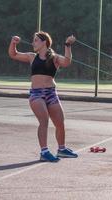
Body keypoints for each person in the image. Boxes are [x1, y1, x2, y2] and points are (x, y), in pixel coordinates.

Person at [8, 31, 78, 162]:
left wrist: (67, 45)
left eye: (35, 40)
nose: (33, 42)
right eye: (33, 40)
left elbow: (67, 62)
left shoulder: (54, 58)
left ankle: (61, 149)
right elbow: (13, 54)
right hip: (36, 94)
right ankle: (44, 152)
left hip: (51, 93)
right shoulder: (31, 57)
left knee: (60, 123)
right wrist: (13, 43)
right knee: (44, 121)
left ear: (44, 42)